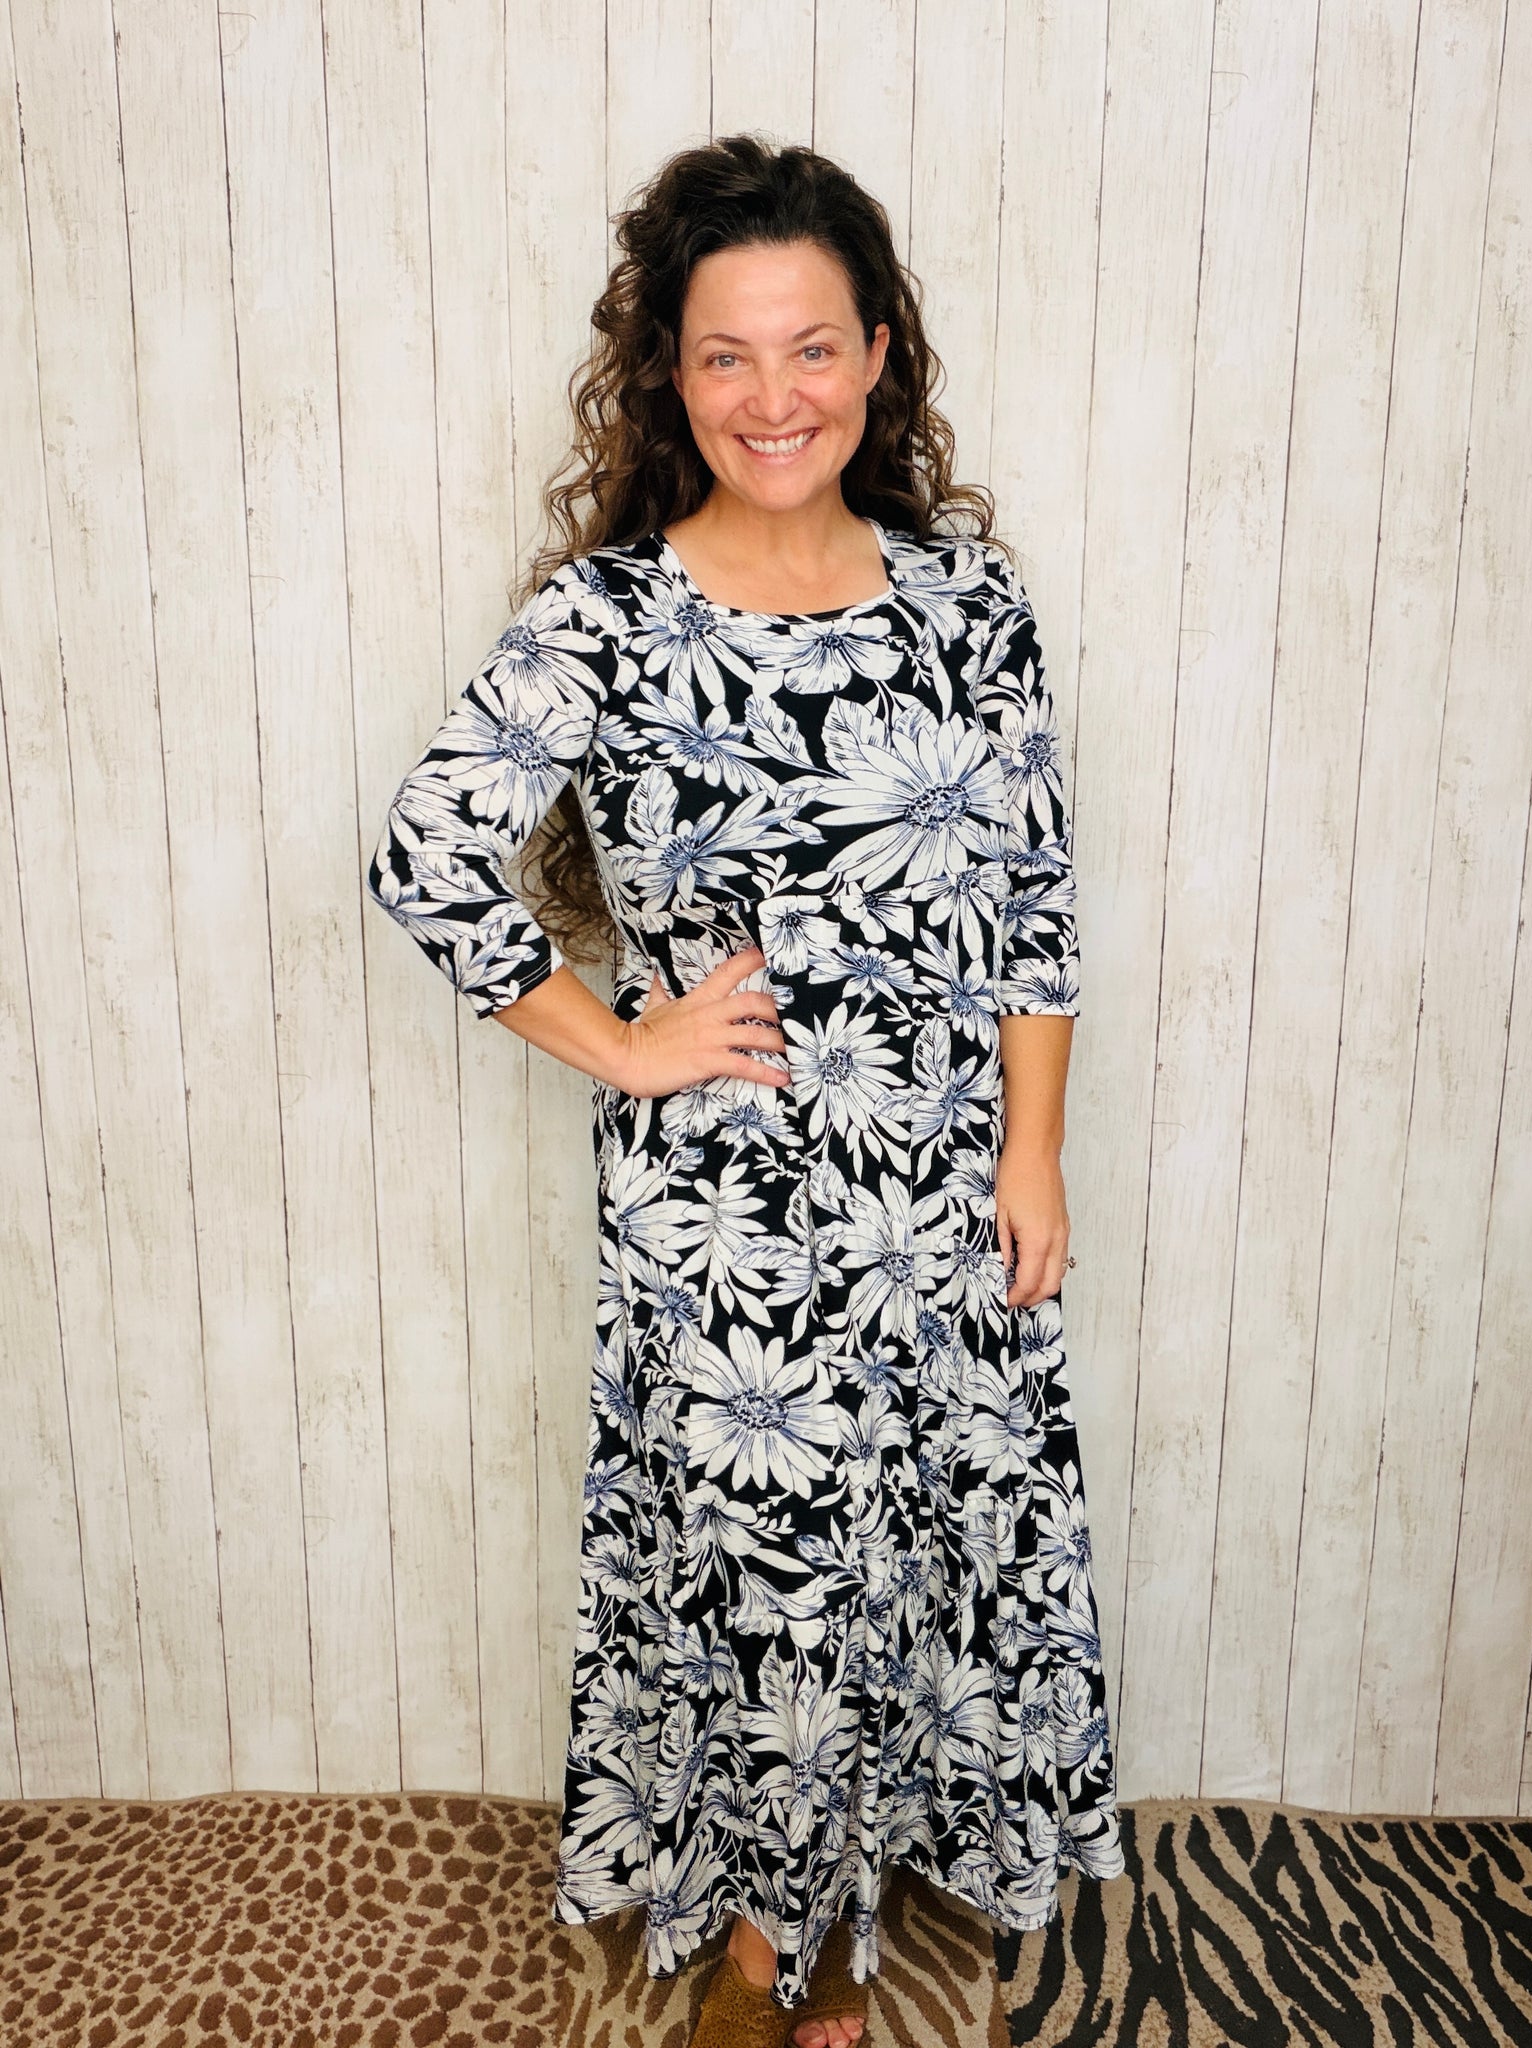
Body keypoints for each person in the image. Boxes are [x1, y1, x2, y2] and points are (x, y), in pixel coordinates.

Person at [366, 133, 1124, 2048]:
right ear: (669, 374)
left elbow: (1031, 901)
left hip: (944, 1184)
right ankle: (768, 1948)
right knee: (764, 1578)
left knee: (918, 1548)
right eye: (724, 354)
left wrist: (1033, 1153)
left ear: (876, 357)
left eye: (808, 347)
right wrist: (626, 1045)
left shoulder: (969, 606)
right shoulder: (609, 620)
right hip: (726, 1213)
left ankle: (858, 1890)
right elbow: (427, 856)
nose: (770, 395)